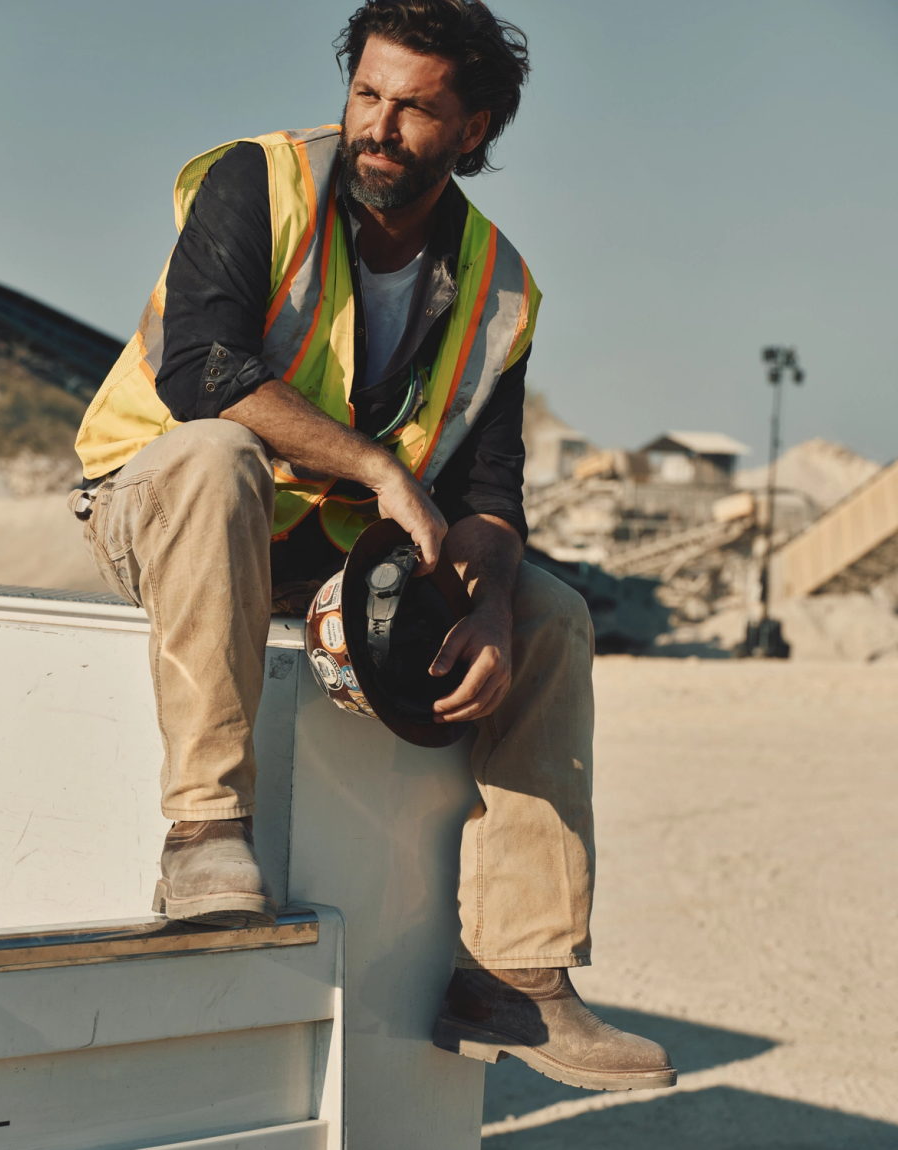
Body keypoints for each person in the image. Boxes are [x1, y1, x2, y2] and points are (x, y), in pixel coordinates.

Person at [71, 0, 675, 1092]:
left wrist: (490, 606)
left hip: (316, 550)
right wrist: (382, 471)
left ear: (473, 130)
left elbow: (488, 494)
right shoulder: (261, 183)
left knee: (549, 613)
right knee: (218, 454)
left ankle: (515, 975)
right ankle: (204, 832)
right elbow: (203, 370)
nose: (377, 127)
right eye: (365, 95)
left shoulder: (498, 286)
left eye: (413, 108)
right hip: (159, 506)